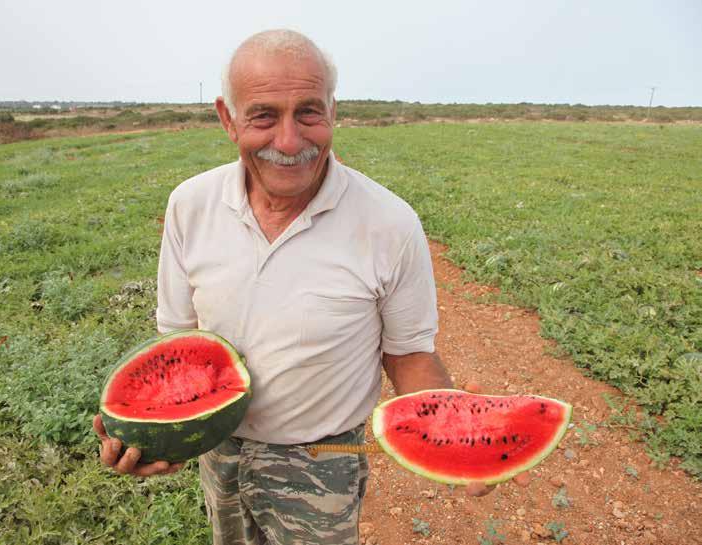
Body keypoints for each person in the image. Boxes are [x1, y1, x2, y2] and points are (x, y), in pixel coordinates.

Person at [94, 29, 527, 545]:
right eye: (263, 115)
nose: (289, 142)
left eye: (308, 112)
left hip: (325, 459)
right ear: (227, 118)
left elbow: (409, 353)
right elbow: (179, 343)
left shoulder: (389, 223)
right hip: (219, 447)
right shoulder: (190, 206)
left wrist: (459, 435)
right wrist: (162, 441)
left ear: (333, 112)